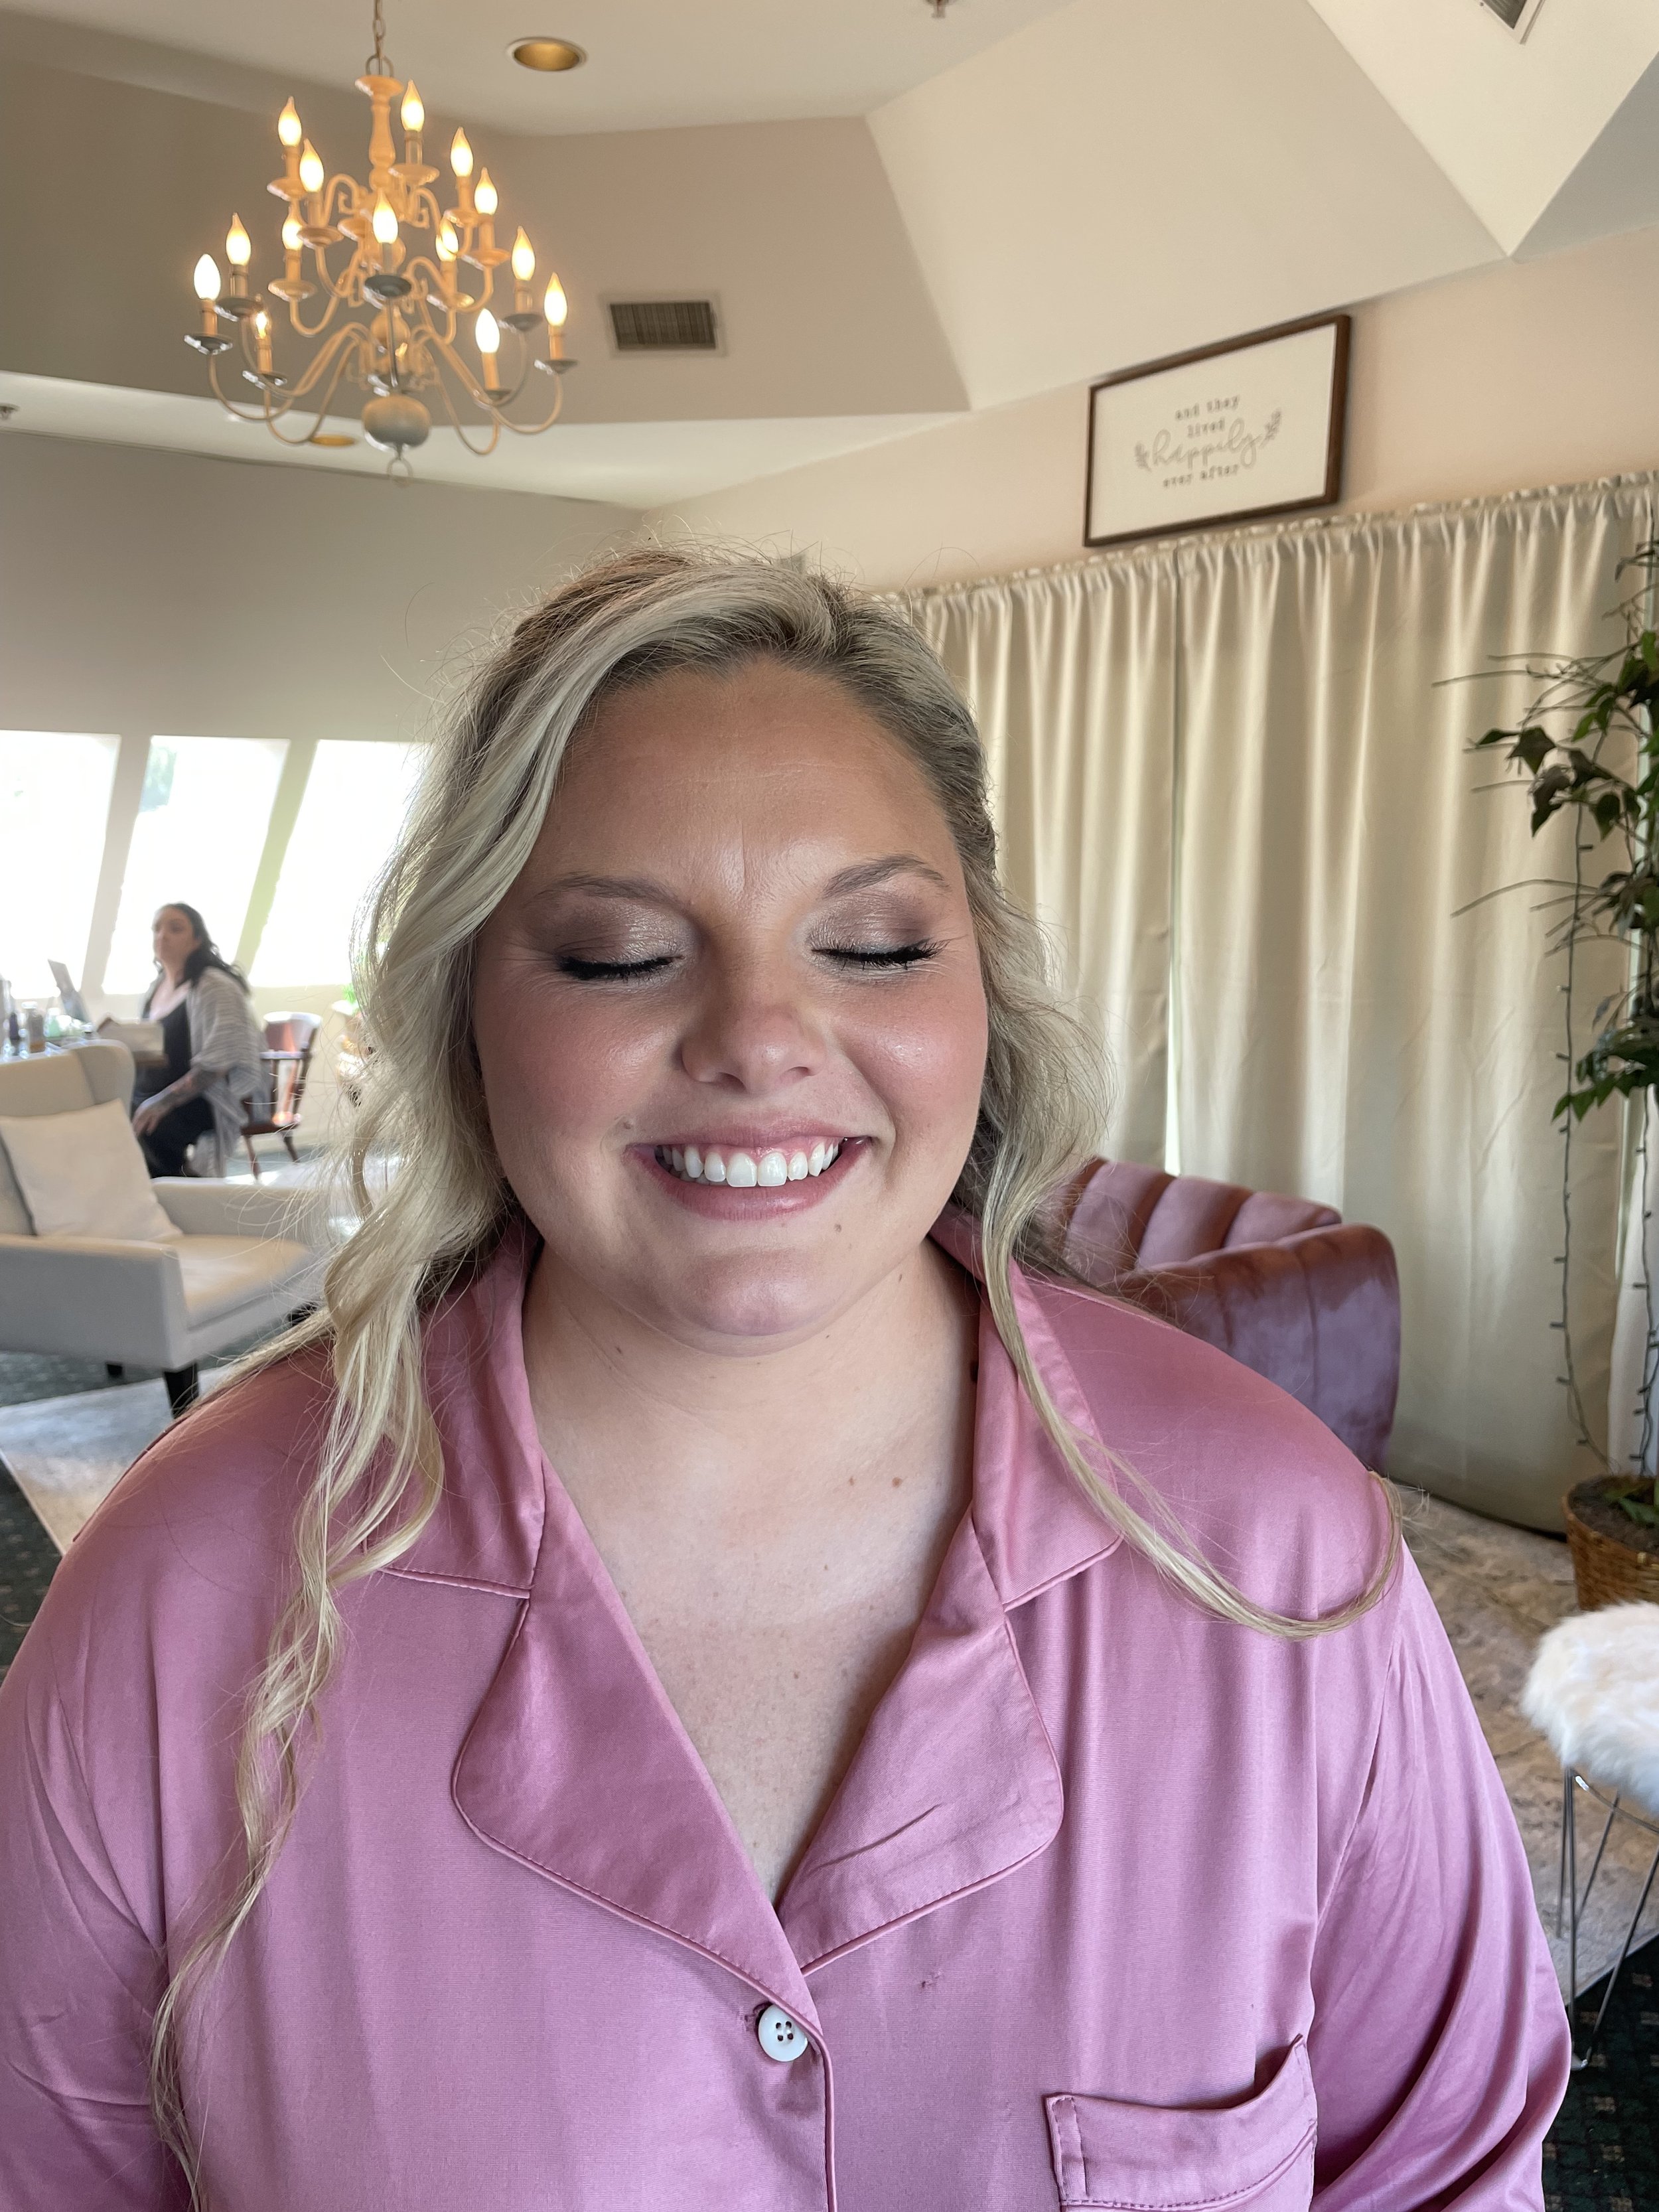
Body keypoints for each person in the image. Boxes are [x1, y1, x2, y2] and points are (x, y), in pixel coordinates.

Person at [0, 551, 1568, 2208]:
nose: (759, 1036)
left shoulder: (1275, 1550)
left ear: (986, 993)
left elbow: (1442, 2165)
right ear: (468, 1013)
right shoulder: (186, 1602)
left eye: (878, 946)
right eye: (615, 955)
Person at [129, 902, 265, 1177]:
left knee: (146, 1125)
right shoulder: (157, 986)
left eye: (175, 929)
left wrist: (161, 1102)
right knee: (109, 1108)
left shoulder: (214, 986)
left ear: (197, 939)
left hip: (202, 1101)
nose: (162, 936)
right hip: (152, 1092)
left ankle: (176, 1193)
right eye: (157, 929)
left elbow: (218, 1064)